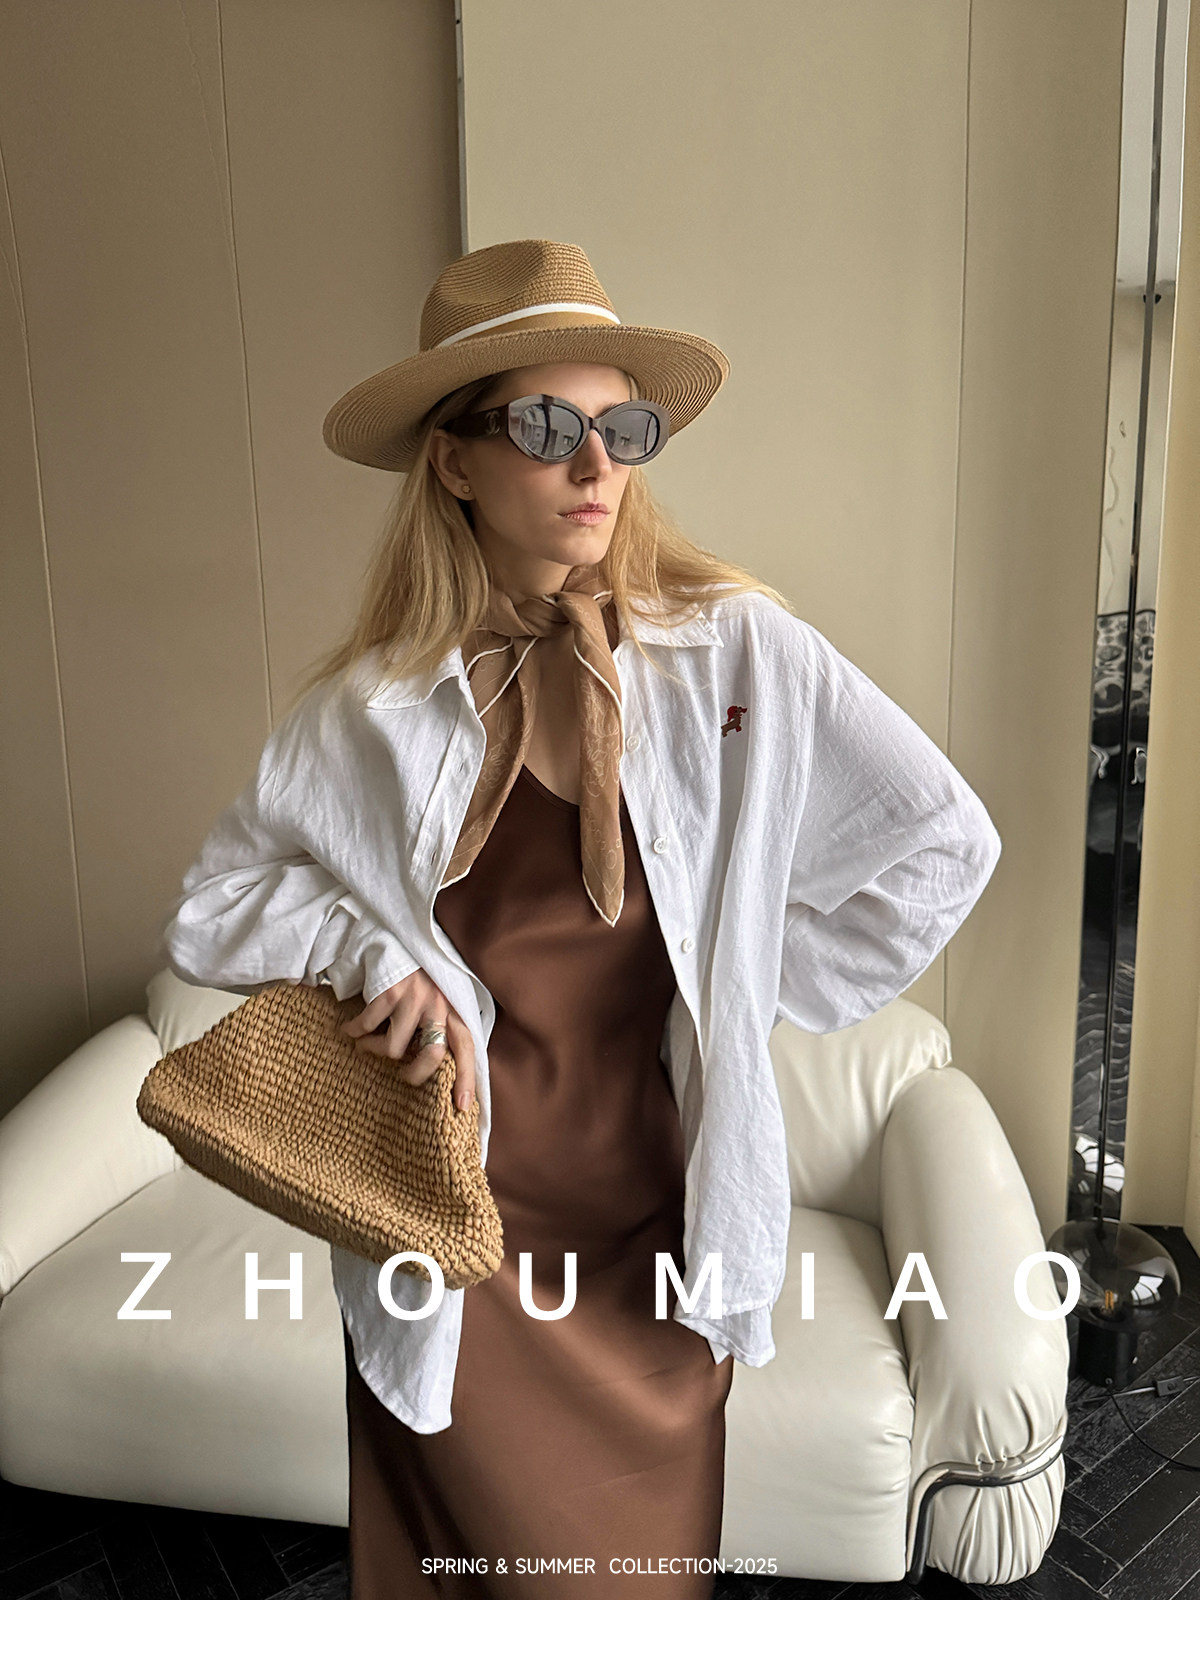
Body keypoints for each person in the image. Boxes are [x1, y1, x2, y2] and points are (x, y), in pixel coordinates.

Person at [161, 239, 1002, 1600]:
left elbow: (942, 843)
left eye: (625, 428)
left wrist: (744, 977)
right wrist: (370, 952)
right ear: (454, 461)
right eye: (548, 428)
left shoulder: (738, 659)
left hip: (654, 1243)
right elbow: (215, 910)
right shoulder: (369, 710)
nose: (597, 465)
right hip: (448, 1232)